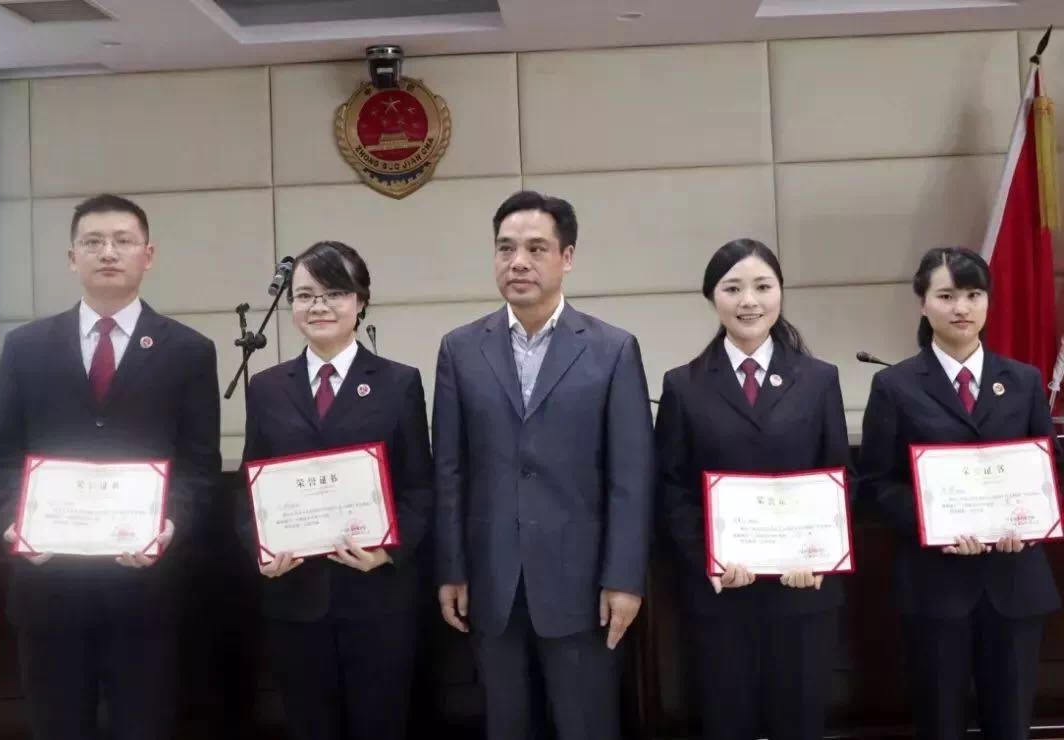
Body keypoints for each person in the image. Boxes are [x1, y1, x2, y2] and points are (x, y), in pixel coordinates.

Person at [0, 193, 222, 740]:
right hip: (48, 587)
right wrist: (11, 521)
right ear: (72, 258)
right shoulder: (25, 347)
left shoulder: (189, 351)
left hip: (146, 590)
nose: (108, 252)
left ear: (148, 255)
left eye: (122, 241)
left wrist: (170, 525)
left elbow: (199, 466)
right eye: (92, 242)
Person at [432, 190, 654, 739]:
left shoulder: (612, 350)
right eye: (505, 248)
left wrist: (624, 579)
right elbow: (450, 471)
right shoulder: (460, 349)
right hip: (491, 580)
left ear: (567, 257)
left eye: (536, 248)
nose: (518, 262)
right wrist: (452, 569)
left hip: (583, 585)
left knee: (586, 726)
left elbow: (631, 478)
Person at [860, 246, 1060, 740]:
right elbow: (875, 485)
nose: (962, 308)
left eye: (973, 294)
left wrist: (1028, 524)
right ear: (923, 304)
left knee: (1011, 726)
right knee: (940, 724)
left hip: (1015, 580)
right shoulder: (894, 385)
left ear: (988, 301)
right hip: (935, 585)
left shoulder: (1023, 380)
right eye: (947, 296)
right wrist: (937, 523)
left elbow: (1047, 473)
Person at [655, 238, 850, 740]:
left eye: (763, 287)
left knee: (800, 722)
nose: (749, 301)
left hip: (802, 590)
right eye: (733, 288)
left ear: (780, 292)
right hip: (722, 594)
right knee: (727, 720)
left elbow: (839, 478)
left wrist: (821, 555)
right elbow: (672, 488)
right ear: (712, 297)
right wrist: (709, 559)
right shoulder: (683, 385)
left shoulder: (819, 379)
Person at [239, 240, 433, 740]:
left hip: (376, 596)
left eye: (334, 293)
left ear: (360, 301)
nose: (318, 306)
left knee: (379, 724)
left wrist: (389, 551)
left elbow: (419, 486)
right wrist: (261, 549)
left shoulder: (399, 383)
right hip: (295, 596)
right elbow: (249, 487)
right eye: (305, 295)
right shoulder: (266, 387)